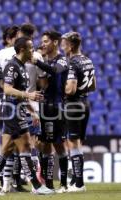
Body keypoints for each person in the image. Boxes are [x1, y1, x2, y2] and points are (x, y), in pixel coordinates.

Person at [0, 37, 54, 196]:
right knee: (25, 146)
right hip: (11, 111)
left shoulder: (22, 66)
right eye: (30, 48)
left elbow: (20, 95)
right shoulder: (12, 66)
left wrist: (31, 109)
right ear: (22, 49)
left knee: (7, 150)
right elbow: (7, 89)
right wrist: (29, 95)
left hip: (18, 109)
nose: (33, 50)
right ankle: (36, 186)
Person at [31, 30, 69, 192]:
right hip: (44, 107)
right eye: (42, 41)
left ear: (55, 42)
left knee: (59, 145)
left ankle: (65, 184)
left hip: (57, 107)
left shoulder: (62, 60)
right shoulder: (45, 60)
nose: (43, 44)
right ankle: (48, 184)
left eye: (46, 41)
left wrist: (37, 62)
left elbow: (55, 71)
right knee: (44, 144)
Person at [62, 32, 96, 192]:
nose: (62, 46)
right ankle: (75, 180)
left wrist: (61, 89)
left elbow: (71, 89)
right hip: (85, 103)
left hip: (73, 105)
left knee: (73, 143)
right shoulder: (88, 60)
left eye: (64, 43)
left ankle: (79, 184)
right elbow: (93, 85)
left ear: (71, 46)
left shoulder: (73, 63)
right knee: (78, 143)